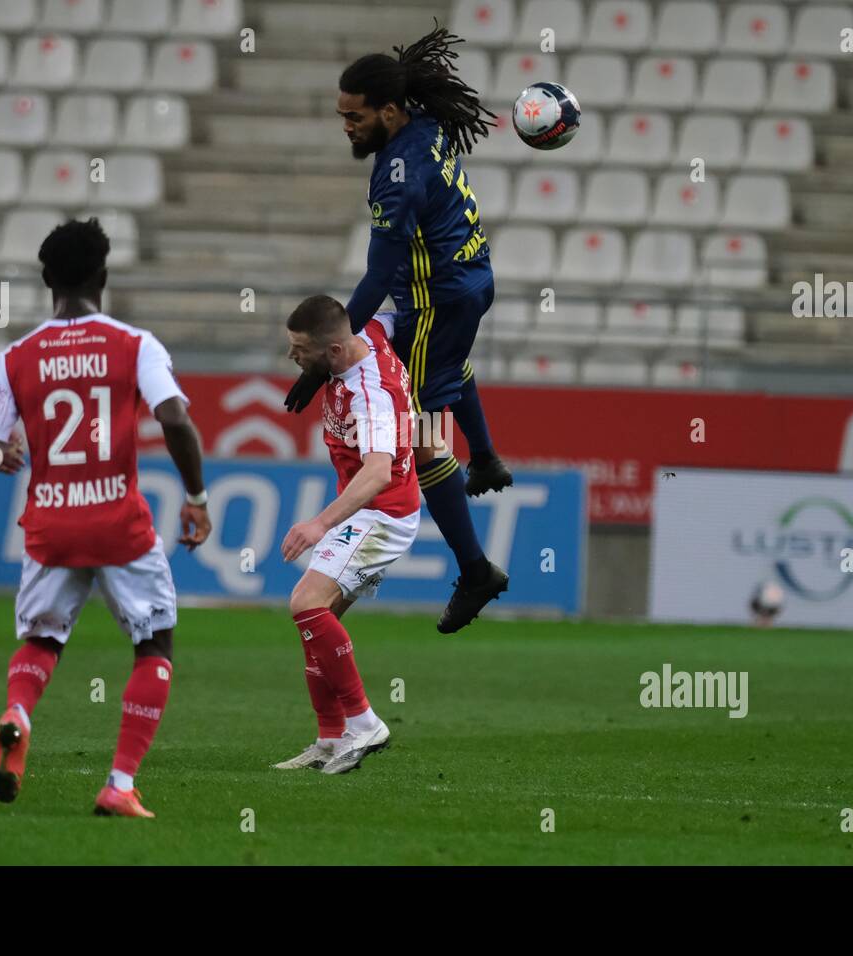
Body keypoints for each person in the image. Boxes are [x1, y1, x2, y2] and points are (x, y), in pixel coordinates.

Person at [0, 218, 210, 817]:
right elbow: (174, 417)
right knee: (154, 643)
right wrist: (196, 496)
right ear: (103, 275)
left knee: (43, 638)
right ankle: (119, 785)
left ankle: (17, 712)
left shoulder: (15, 358)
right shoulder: (134, 344)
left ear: (46, 280)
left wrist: (2, 455)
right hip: (117, 522)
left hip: (50, 526)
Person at [285, 21, 510, 633]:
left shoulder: (395, 177)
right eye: (341, 116)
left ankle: (475, 571)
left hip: (435, 297)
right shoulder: (428, 127)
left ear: (388, 110)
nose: (347, 127)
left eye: (354, 116)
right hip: (467, 282)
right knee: (444, 369)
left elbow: (377, 277)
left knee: (422, 440)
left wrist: (326, 356)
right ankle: (486, 458)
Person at [276, 295, 422, 773]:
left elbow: (378, 472)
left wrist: (319, 523)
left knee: (306, 603)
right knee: (317, 624)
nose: (293, 357)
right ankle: (331, 737)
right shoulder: (371, 332)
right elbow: (388, 293)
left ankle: (364, 724)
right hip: (372, 509)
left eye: (300, 349)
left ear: (335, 351)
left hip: (382, 512)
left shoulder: (370, 393)